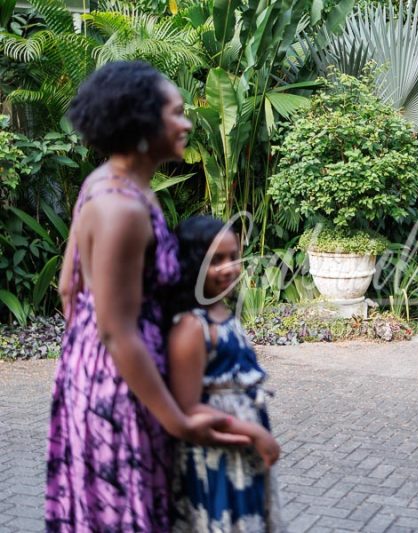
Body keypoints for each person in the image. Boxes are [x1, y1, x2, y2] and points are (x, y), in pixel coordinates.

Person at [47, 61, 248, 532]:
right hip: (122, 394)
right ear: (142, 123)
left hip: (98, 379)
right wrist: (176, 420)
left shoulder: (105, 183)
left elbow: (66, 287)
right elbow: (118, 333)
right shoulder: (124, 210)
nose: (187, 122)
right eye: (176, 113)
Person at [166, 216, 283, 532]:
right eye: (215, 260)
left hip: (241, 454)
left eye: (233, 257)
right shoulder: (193, 327)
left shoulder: (223, 315)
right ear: (193, 264)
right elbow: (187, 406)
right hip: (215, 456)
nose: (229, 267)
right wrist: (255, 432)